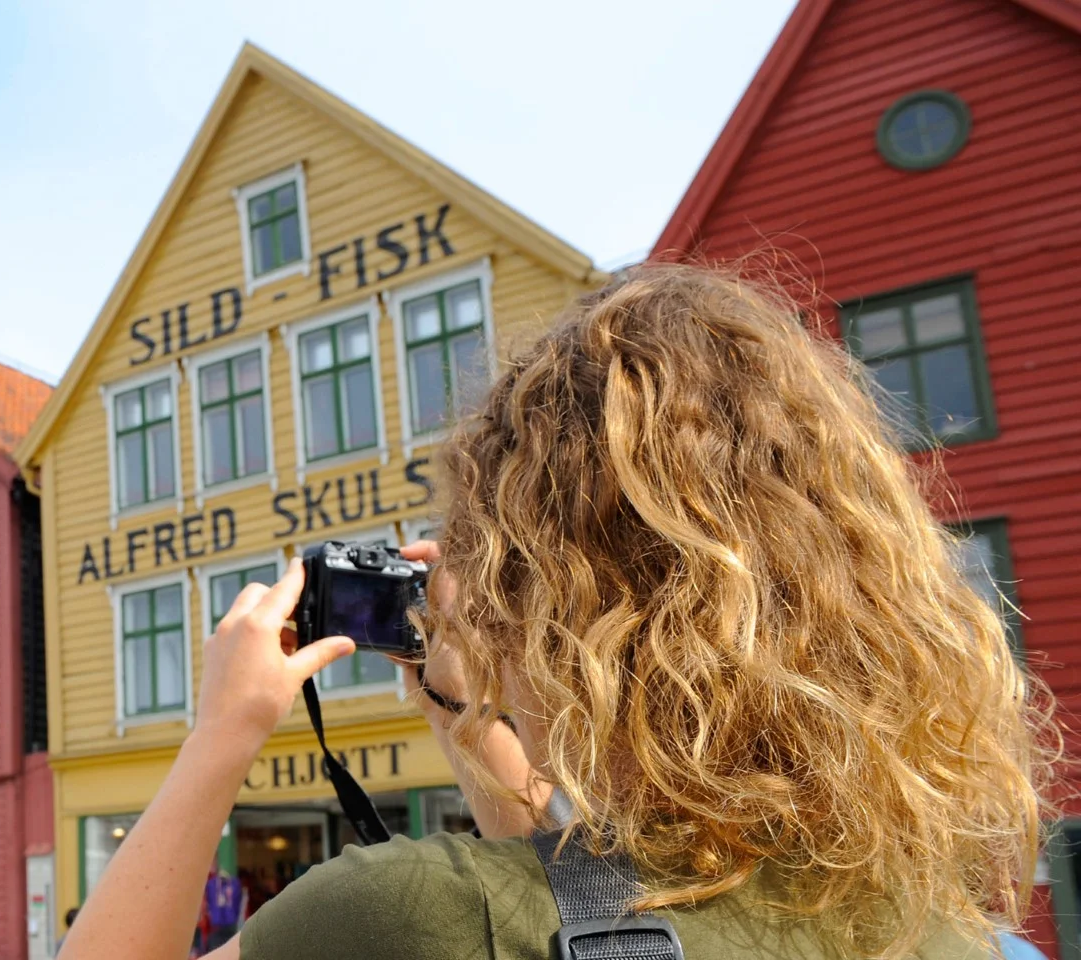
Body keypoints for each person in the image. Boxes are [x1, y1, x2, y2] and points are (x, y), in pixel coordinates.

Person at [54, 265, 1055, 960]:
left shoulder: (402, 918)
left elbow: (541, 912)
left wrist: (223, 733)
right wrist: (473, 723)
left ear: (552, 614)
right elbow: (595, 891)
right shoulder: (969, 936)